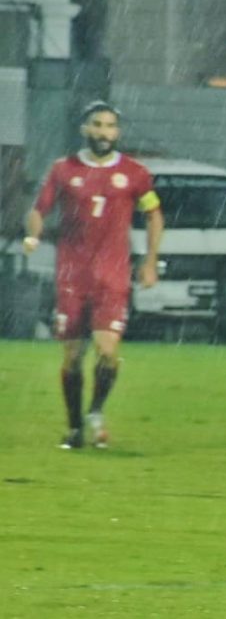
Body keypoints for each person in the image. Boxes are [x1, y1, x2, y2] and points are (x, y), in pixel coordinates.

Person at [23, 100, 164, 450]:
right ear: (85, 129)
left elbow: (154, 214)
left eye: (110, 126)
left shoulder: (134, 173)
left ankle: (95, 412)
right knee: (72, 356)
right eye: (97, 125)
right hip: (71, 276)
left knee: (107, 351)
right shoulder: (63, 169)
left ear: (117, 132)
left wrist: (149, 261)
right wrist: (33, 235)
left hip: (112, 277)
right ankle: (74, 429)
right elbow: (39, 209)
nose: (104, 132)